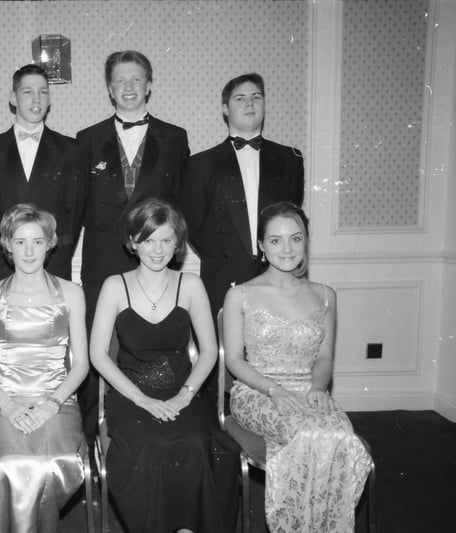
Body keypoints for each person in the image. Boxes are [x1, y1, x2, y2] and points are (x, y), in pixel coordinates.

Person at [90, 199, 239, 533]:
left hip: (182, 392)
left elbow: (210, 350)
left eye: (166, 240)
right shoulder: (115, 286)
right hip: (130, 396)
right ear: (133, 242)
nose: (157, 250)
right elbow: (98, 355)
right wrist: (143, 400)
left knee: (197, 444)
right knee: (153, 445)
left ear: (178, 244)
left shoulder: (191, 285)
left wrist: (184, 397)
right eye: (148, 240)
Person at [223, 202, 373, 533]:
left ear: (306, 241)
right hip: (257, 391)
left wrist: (318, 388)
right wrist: (274, 391)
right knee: (305, 434)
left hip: (310, 389)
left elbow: (324, 358)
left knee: (340, 437)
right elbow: (234, 361)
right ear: (261, 246)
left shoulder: (325, 295)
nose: (287, 249)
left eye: (296, 238)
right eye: (275, 240)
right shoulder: (241, 295)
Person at [77, 50, 190, 440]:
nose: (128, 87)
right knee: (98, 349)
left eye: (136, 79)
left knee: (156, 345)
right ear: (109, 88)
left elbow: (180, 208)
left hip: (155, 260)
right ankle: (92, 436)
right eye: (120, 81)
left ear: (149, 85)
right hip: (101, 262)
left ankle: (166, 418)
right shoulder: (87, 140)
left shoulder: (175, 139)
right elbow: (76, 209)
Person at [0, 204, 89, 533]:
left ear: (50, 243)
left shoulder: (72, 293)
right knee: (9, 463)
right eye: (20, 241)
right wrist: (9, 405)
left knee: (46, 464)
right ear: (6, 245)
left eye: (37, 241)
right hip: (3, 401)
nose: (28, 250)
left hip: (56, 401)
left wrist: (51, 405)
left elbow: (81, 365)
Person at [181, 72, 304, 319]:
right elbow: (193, 225)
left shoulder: (290, 160)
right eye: (240, 98)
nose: (249, 104)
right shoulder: (200, 164)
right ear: (225, 109)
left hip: (278, 272)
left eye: (256, 97)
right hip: (223, 276)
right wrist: (227, 258)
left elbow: (290, 218)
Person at [0, 64, 81, 288]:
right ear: (13, 98)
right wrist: (4, 248)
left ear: (50, 99)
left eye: (43, 92)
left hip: (54, 263)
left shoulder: (70, 149)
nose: (37, 99)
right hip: (1, 264)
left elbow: (74, 213)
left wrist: (54, 249)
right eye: (28, 91)